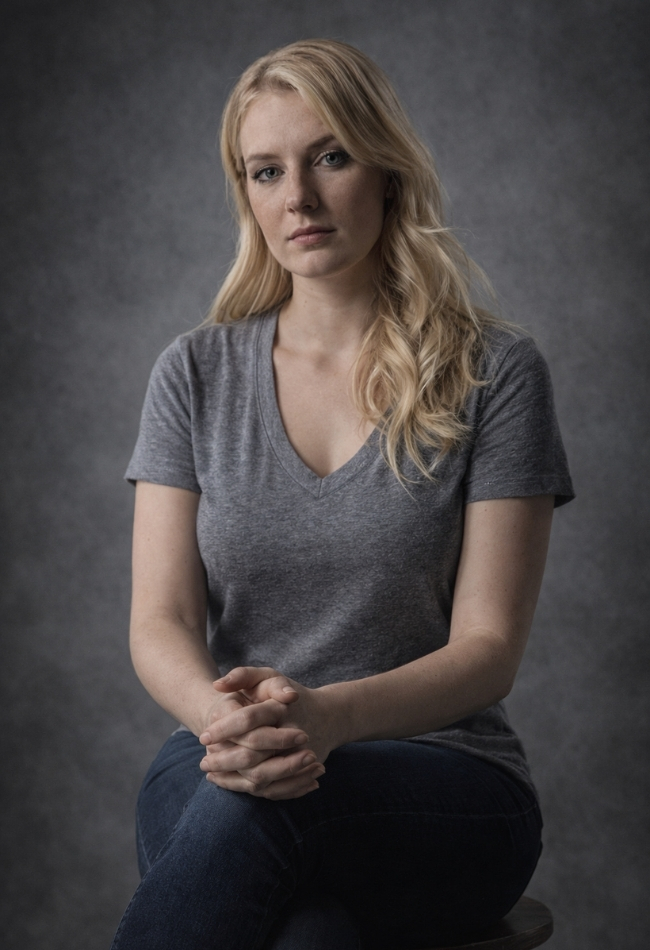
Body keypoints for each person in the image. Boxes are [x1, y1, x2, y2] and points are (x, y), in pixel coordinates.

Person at [111, 39, 574, 950]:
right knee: (308, 931)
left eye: (330, 157)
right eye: (266, 171)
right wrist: (227, 721)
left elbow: (487, 652)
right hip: (224, 758)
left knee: (273, 817)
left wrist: (324, 719)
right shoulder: (194, 373)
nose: (299, 199)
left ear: (387, 169)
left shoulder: (496, 373)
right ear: (245, 194)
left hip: (441, 779)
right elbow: (158, 621)